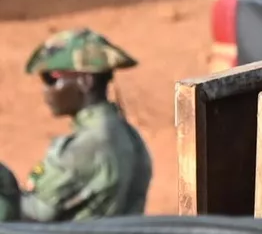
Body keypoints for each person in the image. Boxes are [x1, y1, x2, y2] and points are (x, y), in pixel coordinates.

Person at [0, 30, 150, 221]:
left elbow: (30, 216)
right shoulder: (125, 133)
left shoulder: (89, 145)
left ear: (85, 81)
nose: (46, 90)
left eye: (51, 78)